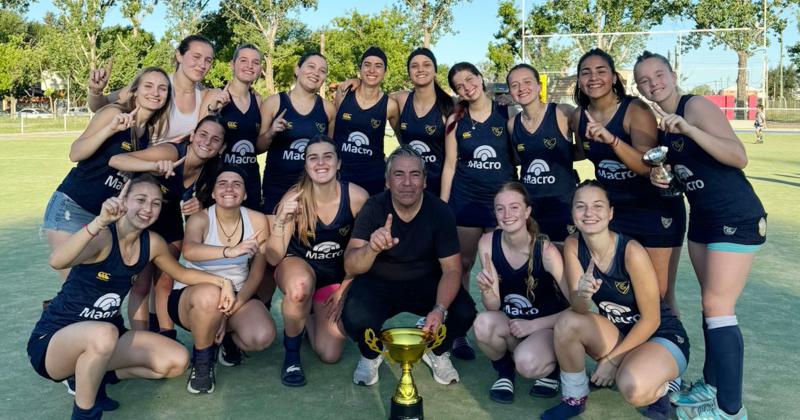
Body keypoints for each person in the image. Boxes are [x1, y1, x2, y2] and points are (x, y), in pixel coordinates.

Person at [28, 175, 234, 420]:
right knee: (104, 333)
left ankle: (96, 376)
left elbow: (182, 273)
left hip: (106, 336)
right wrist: (98, 222)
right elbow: (57, 261)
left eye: (156, 203)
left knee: (176, 360)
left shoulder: (153, 243)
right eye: (141, 199)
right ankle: (84, 414)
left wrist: (223, 282)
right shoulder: (104, 235)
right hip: (54, 340)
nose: (148, 209)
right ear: (123, 200)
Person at [634, 51, 767, 420]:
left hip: (735, 215)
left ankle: (730, 409)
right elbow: (687, 179)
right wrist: (666, 182)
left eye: (658, 74)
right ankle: (711, 386)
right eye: (644, 80)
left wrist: (691, 129)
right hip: (703, 220)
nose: (652, 84)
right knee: (712, 309)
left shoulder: (695, 108)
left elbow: (738, 157)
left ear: (672, 74)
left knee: (719, 308)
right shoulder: (664, 126)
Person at [541, 180, 689, 420]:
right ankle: (574, 397)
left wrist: (612, 360)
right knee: (568, 321)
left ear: (610, 213)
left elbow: (651, 320)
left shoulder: (632, 252)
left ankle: (667, 385)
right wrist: (582, 294)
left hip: (661, 335)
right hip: (620, 333)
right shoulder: (573, 245)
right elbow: (579, 308)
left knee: (633, 388)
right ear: (573, 213)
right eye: (581, 207)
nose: (589, 213)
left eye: (598, 206)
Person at [341, 146, 477, 386]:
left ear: (424, 181)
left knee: (464, 311)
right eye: (398, 174)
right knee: (354, 316)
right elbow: (351, 265)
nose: (407, 182)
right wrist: (371, 248)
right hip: (379, 284)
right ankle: (370, 355)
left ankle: (436, 352)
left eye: (415, 174)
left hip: (425, 284)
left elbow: (452, 270)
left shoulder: (439, 211)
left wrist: (440, 309)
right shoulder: (374, 208)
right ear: (387, 181)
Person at [570, 48, 685, 315]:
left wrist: (612, 140)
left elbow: (648, 166)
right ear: (578, 80)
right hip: (614, 215)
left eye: (601, 71)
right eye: (585, 72)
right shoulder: (579, 116)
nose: (593, 77)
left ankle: (670, 353)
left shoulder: (635, 109)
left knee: (660, 296)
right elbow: (577, 150)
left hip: (654, 212)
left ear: (613, 77)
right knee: (623, 292)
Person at [43, 67, 171, 283]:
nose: (155, 93)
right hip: (72, 207)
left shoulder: (145, 132)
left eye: (162, 88)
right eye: (148, 86)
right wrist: (109, 130)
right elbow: (75, 153)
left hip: (103, 217)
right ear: (134, 91)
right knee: (77, 285)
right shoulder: (114, 113)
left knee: (90, 286)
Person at [265, 135, 369, 387]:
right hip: (296, 266)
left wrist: (345, 289)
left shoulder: (357, 198)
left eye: (327, 156)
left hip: (334, 276)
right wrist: (280, 220)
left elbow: (362, 254)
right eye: (313, 157)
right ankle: (292, 354)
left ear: (338, 163)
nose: (320, 163)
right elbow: (273, 257)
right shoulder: (295, 198)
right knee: (300, 287)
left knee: (329, 353)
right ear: (306, 165)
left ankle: (305, 314)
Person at [109, 115, 228, 333]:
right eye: (203, 135)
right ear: (192, 135)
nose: (207, 142)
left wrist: (200, 206)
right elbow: (116, 160)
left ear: (222, 146)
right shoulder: (171, 152)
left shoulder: (212, 170)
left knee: (165, 284)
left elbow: (211, 210)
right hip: (143, 224)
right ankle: (141, 340)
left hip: (171, 226)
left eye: (215, 140)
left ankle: (167, 335)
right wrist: (153, 165)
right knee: (142, 285)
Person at [169, 166, 274, 394]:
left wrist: (230, 310)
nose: (229, 188)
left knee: (261, 336)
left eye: (237, 184)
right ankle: (203, 362)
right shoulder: (200, 218)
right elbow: (189, 251)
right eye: (222, 183)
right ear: (214, 193)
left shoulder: (257, 220)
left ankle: (226, 340)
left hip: (236, 295)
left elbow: (256, 273)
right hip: (194, 295)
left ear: (245, 194)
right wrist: (230, 251)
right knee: (210, 295)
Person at [441, 62, 517, 359]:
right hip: (466, 201)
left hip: (501, 205)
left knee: (500, 266)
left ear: (480, 78)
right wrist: (446, 207)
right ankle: (458, 331)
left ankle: (508, 328)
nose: (466, 87)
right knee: (462, 265)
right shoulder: (456, 120)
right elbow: (449, 165)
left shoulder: (506, 113)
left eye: (470, 79)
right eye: (459, 85)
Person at [472, 182, 569, 404]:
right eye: (500, 208)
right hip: (514, 324)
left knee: (527, 363)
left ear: (527, 211)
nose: (507, 215)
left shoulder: (546, 251)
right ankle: (505, 372)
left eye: (514, 207)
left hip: (547, 327)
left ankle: (552, 369)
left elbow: (576, 308)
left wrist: (534, 325)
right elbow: (493, 307)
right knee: (483, 323)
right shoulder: (487, 242)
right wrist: (487, 290)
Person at [338, 48, 451, 196]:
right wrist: (359, 81)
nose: (420, 69)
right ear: (409, 72)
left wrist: (444, 199)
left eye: (426, 65)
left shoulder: (447, 107)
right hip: (401, 182)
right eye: (414, 66)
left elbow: (451, 161)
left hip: (434, 183)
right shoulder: (400, 99)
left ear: (435, 70)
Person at [88, 34, 215, 141]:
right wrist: (96, 90)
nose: (202, 65)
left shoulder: (206, 96)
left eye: (208, 60)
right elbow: (99, 107)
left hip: (174, 168)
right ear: (179, 56)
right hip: (137, 165)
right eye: (196, 57)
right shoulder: (153, 85)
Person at [506, 63, 577, 245]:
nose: (521, 88)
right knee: (533, 261)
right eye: (515, 85)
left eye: (527, 82)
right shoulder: (513, 124)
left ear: (539, 86)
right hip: (530, 206)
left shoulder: (563, 113)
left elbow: (584, 152)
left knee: (563, 261)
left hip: (562, 204)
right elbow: (519, 160)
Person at [258, 53, 337, 214]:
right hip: (276, 187)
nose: (316, 73)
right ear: (297, 69)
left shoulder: (329, 110)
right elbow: (257, 147)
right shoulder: (273, 103)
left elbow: (331, 154)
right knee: (276, 234)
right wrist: (271, 132)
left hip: (312, 189)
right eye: (311, 66)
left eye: (322, 71)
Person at [201, 44, 264, 210]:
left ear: (260, 68)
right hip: (219, 180)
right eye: (243, 60)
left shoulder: (258, 100)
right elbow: (197, 137)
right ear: (232, 64)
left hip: (249, 180)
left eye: (255, 62)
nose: (249, 66)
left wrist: (271, 133)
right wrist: (213, 110)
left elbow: (256, 145)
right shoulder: (214, 95)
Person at [333, 47, 400, 195]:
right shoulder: (344, 93)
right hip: (340, 175)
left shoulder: (390, 105)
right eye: (367, 64)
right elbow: (331, 131)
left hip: (372, 178)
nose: (372, 70)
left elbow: (403, 139)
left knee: (368, 218)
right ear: (360, 69)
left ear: (385, 73)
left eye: (378, 66)